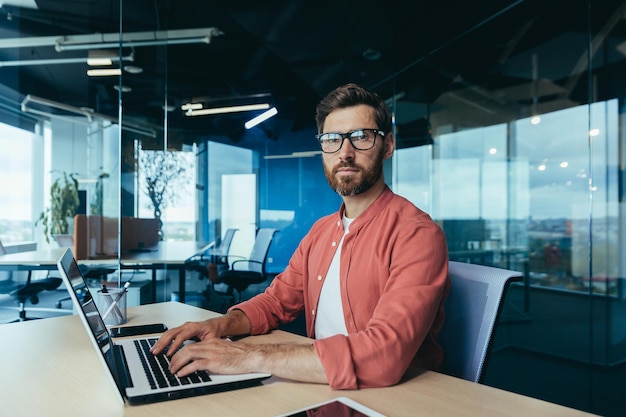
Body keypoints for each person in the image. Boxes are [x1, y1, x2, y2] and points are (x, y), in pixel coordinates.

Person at [151, 83, 450, 390]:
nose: (345, 152)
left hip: (387, 400)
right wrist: (218, 326)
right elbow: (276, 302)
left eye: (361, 137)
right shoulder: (321, 231)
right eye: (332, 139)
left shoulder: (417, 235)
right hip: (317, 386)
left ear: (387, 146)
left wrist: (248, 356)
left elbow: (384, 355)